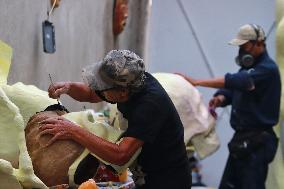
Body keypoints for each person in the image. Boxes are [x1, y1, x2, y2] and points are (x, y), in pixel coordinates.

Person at [39, 50, 192, 189]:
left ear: (123, 93)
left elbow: (121, 155)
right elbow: (92, 94)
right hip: (145, 173)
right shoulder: (131, 83)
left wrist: (73, 131)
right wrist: (69, 87)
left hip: (168, 181)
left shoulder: (150, 105)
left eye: (103, 87)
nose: (99, 90)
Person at [177, 24, 281, 189]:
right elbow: (234, 88)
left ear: (259, 43)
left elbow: (239, 81)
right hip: (242, 141)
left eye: (245, 46)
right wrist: (222, 97)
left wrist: (196, 81)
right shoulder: (248, 69)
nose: (242, 52)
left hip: (257, 143)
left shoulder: (267, 69)